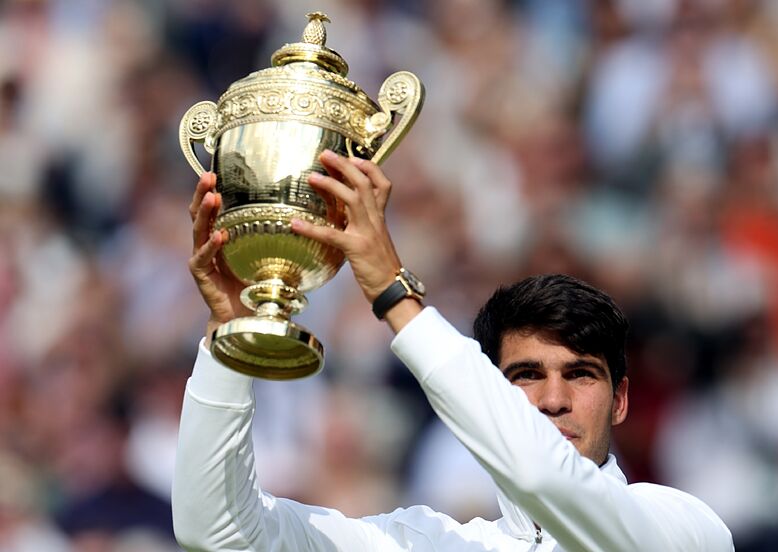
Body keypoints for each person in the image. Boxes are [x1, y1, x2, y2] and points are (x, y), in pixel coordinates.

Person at [172, 150, 734, 551]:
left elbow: (543, 478)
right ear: (490, 386)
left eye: (582, 375)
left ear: (620, 400)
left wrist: (395, 293)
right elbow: (218, 531)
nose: (554, 399)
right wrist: (230, 338)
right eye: (527, 375)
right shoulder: (431, 542)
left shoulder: (685, 527)